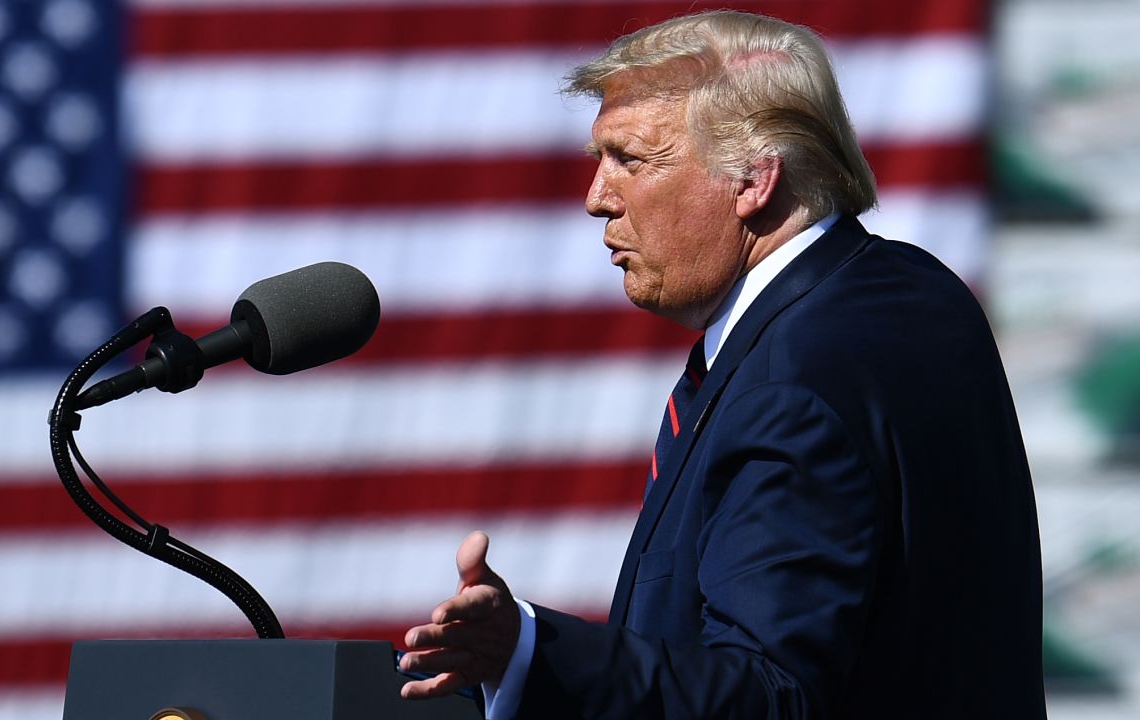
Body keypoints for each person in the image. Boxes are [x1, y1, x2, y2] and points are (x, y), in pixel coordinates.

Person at [399, 10, 1046, 719]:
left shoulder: (791, 381)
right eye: (599, 161)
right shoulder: (915, 296)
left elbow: (770, 696)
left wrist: (528, 649)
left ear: (754, 180)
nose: (597, 199)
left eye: (632, 160)